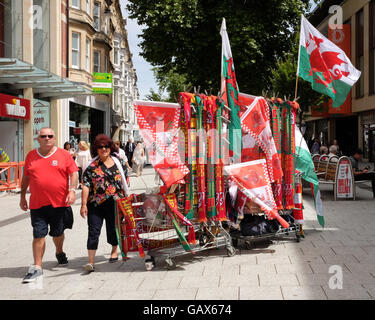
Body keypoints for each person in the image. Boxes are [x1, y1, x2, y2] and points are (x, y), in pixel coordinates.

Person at [20, 128, 79, 283]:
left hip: (59, 204)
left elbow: (74, 173)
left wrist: (72, 191)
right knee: (38, 234)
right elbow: (26, 177)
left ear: (54, 138)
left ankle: (59, 252)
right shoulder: (31, 156)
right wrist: (22, 196)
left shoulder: (64, 155)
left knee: (57, 233)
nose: (47, 138)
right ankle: (37, 268)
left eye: (50, 136)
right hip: (37, 204)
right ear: (38, 139)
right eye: (43, 136)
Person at [80, 134, 130, 273]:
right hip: (95, 204)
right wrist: (83, 204)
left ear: (110, 147)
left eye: (106, 146)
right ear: (96, 149)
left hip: (115, 203)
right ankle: (91, 261)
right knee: (93, 230)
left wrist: (126, 199)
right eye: (100, 147)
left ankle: (114, 250)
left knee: (113, 228)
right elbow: (86, 185)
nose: (103, 149)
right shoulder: (91, 166)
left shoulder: (118, 163)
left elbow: (125, 182)